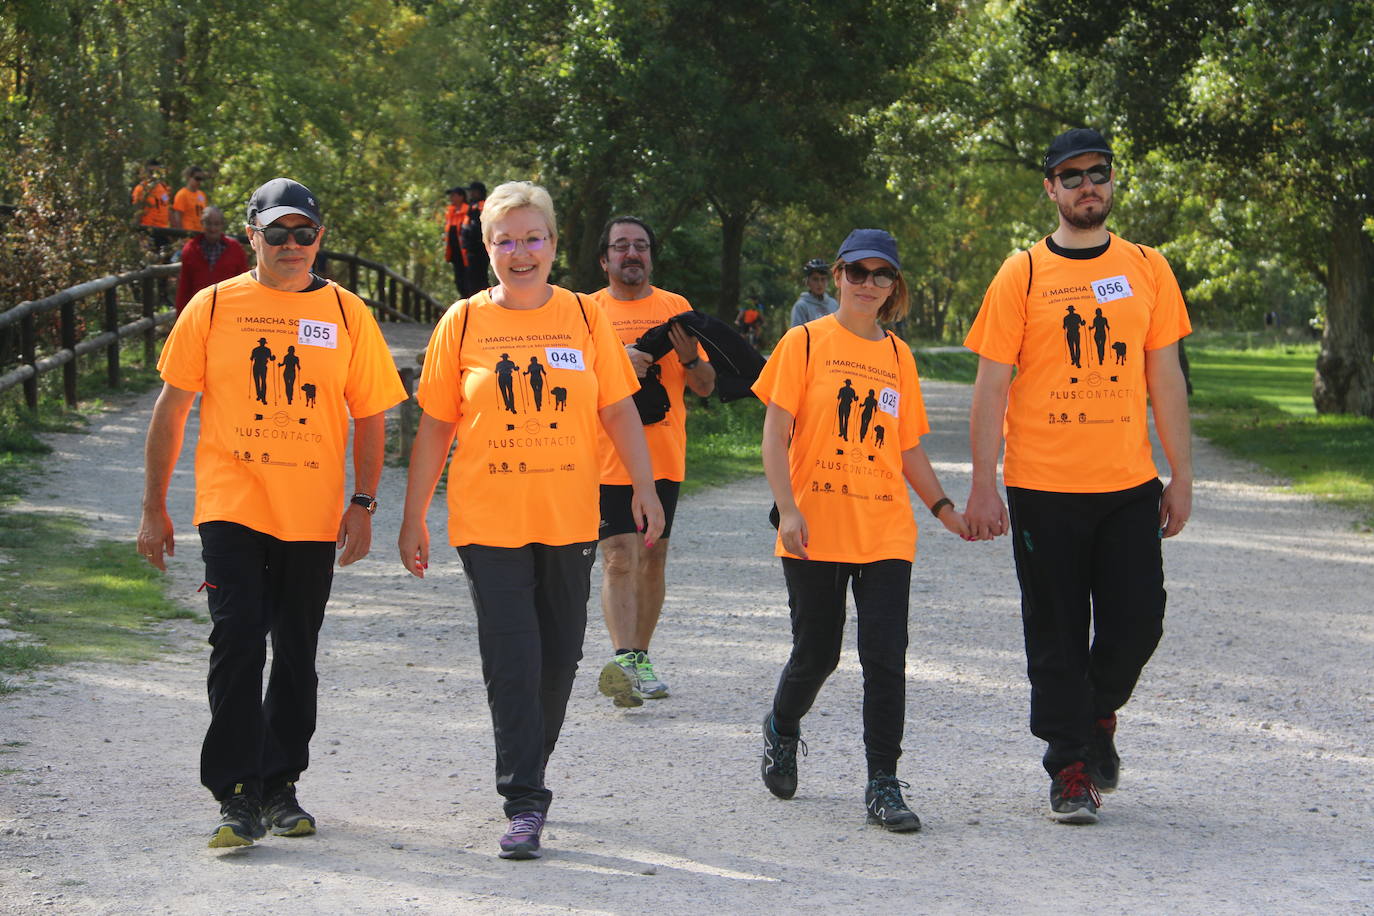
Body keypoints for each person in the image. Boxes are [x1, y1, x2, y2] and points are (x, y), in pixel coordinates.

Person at [136, 177, 407, 848]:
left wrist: (364, 503)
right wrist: (154, 508)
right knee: (235, 638)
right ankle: (235, 794)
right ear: (250, 237)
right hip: (231, 504)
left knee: (295, 650)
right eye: (277, 233)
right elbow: (172, 410)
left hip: (312, 514)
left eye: (304, 233)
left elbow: (371, 414)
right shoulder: (214, 305)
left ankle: (280, 784)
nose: (292, 245)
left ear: (320, 238)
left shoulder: (347, 314)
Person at [399, 181, 664, 861]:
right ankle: (524, 798)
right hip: (487, 521)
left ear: (552, 245)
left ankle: (529, 762)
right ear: (486, 248)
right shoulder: (461, 323)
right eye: (505, 240)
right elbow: (434, 427)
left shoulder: (582, 316)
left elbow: (616, 409)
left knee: (560, 656)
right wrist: (413, 516)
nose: (520, 252)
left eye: (532, 237)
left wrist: (644, 486)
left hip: (569, 516)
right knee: (513, 656)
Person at [963, 128, 1192, 825]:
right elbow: (990, 385)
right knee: (1057, 633)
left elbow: (1167, 380)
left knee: (1139, 620)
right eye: (1072, 176)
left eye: (1098, 173)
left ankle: (1096, 717)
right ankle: (1069, 766)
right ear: (1051, 189)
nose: (1087, 185)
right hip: (1043, 487)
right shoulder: (1022, 273)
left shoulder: (1148, 267)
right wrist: (982, 481)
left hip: (1127, 485)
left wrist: (1180, 475)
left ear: (1112, 181)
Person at [754, 228, 970, 833]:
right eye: (858, 272)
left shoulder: (899, 357)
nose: (869, 284)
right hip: (814, 528)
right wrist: (788, 508)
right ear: (840, 274)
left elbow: (907, 449)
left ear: (893, 285)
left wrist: (945, 508)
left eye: (883, 275)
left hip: (884, 529)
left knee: (885, 657)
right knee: (817, 653)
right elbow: (774, 436)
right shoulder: (803, 342)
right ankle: (782, 724)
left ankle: (883, 783)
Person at [589, 216, 716, 708]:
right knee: (619, 554)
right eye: (620, 246)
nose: (631, 254)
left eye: (640, 246)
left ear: (651, 257)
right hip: (607, 456)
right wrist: (620, 360)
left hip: (664, 453)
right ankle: (623, 661)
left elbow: (704, 385)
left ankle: (640, 656)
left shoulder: (674, 308)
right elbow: (576, 386)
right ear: (604, 260)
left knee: (653, 554)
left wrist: (687, 360)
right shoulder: (586, 313)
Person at [174, 206, 248, 314]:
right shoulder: (190, 249)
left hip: (228, 312)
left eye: (216, 224)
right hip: (199, 312)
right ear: (202, 223)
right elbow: (184, 288)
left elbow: (244, 285)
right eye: (208, 223)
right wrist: (180, 317)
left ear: (222, 225)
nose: (212, 228)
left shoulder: (235, 249)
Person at [131, 159, 172, 252]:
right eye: (151, 172)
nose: (154, 175)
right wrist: (138, 234)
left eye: (156, 172)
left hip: (164, 231)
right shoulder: (141, 189)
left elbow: (168, 209)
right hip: (148, 231)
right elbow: (137, 212)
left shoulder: (164, 188)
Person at [790, 258, 840, 327]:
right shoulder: (801, 306)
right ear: (807, 282)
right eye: (815, 279)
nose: (820, 283)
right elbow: (796, 334)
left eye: (823, 279)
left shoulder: (833, 304)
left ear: (827, 281)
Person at [460, 180, 489, 296]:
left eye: (473, 192)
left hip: (479, 249)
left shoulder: (482, 207)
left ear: (479, 192)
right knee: (470, 279)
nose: (470, 194)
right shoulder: (471, 207)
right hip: (470, 249)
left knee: (479, 278)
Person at [442, 185, 469, 295]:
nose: (451, 198)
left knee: (468, 280)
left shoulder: (468, 211)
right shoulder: (450, 213)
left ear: (461, 197)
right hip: (455, 254)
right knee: (458, 281)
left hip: (466, 254)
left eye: (453, 195)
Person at [171, 166, 209, 233]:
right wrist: (181, 235)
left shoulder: (202, 195)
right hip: (188, 234)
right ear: (189, 177)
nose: (199, 182)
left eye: (201, 179)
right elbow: (177, 218)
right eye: (197, 178)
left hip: (200, 234)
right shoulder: (182, 194)